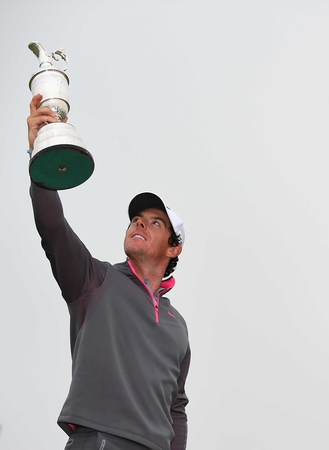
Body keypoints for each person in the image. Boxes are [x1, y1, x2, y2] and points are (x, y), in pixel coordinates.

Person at [27, 94, 191, 450]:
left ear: (173, 247)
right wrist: (41, 156)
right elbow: (54, 230)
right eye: (136, 218)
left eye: (154, 222)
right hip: (99, 441)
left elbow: (176, 407)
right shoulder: (96, 280)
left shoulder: (178, 325)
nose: (139, 223)